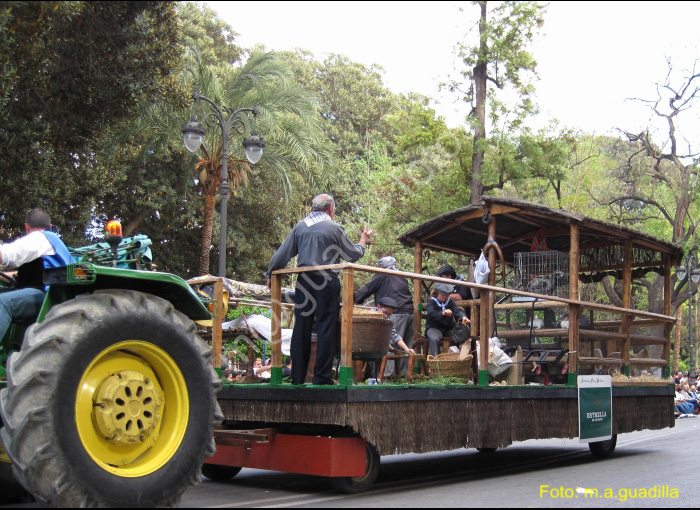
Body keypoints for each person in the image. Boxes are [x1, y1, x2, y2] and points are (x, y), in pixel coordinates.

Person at [264, 194, 372, 385]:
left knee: (301, 328)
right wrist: (362, 241)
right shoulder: (334, 228)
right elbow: (352, 255)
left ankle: (297, 377)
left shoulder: (300, 227)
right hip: (327, 282)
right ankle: (321, 377)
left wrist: (271, 274)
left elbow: (282, 254)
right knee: (325, 327)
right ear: (330, 209)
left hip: (304, 282)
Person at [0, 209, 73, 341]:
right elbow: (26, 273)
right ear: (50, 226)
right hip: (48, 293)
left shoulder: (41, 237)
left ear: (27, 227)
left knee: (2, 303)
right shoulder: (52, 242)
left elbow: (7, 253)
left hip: (48, 297)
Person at [354, 255, 414, 375]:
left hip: (396, 313)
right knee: (404, 345)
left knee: (390, 342)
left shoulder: (382, 273)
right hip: (410, 313)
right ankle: (403, 374)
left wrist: (354, 298)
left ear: (382, 265)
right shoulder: (401, 276)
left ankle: (387, 375)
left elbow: (367, 289)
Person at [425, 282, 471, 356]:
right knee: (434, 338)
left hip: (448, 328)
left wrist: (463, 317)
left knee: (462, 335)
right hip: (434, 327)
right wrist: (442, 313)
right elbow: (431, 313)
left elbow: (457, 311)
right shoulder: (431, 302)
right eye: (442, 294)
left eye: (446, 295)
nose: (444, 297)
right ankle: (435, 363)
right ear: (437, 293)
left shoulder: (450, 302)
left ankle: (462, 358)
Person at [375, 296, 415, 377]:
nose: (386, 316)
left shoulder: (388, 320)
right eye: (385, 312)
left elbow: (395, 336)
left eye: (389, 314)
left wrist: (406, 349)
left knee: (389, 351)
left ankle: (388, 377)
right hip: (368, 346)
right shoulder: (368, 315)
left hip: (381, 346)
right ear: (378, 307)